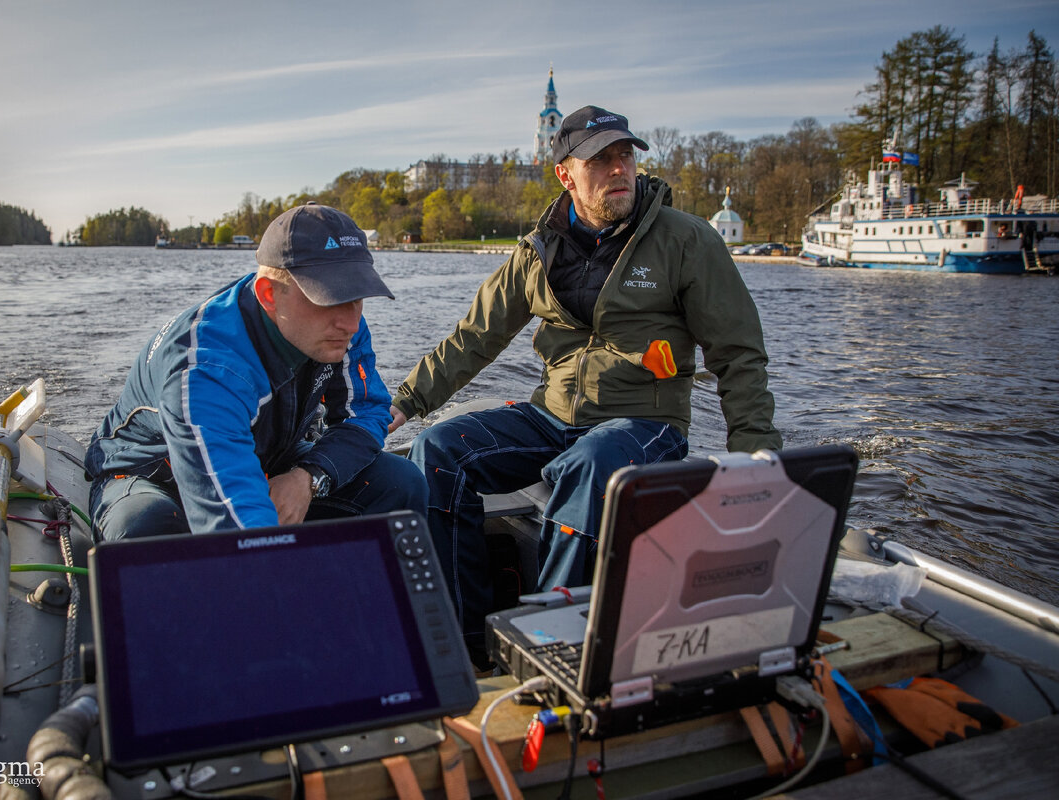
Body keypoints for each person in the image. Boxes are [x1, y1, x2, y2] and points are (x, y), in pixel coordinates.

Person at [388, 105, 782, 654]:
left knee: (590, 463)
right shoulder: (537, 251)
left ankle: (545, 647)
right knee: (437, 451)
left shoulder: (685, 241)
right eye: (600, 160)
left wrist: (755, 461)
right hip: (551, 417)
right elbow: (474, 337)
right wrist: (404, 403)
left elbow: (738, 355)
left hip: (644, 423)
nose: (620, 169)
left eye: (626, 156)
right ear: (565, 174)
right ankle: (466, 642)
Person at [85, 204, 426, 541]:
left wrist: (309, 477)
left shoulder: (342, 329)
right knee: (145, 533)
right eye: (330, 299)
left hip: (271, 456)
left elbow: (367, 413)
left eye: (357, 297)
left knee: (402, 482)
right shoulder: (208, 367)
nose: (350, 323)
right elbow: (238, 527)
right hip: (155, 473)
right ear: (269, 295)